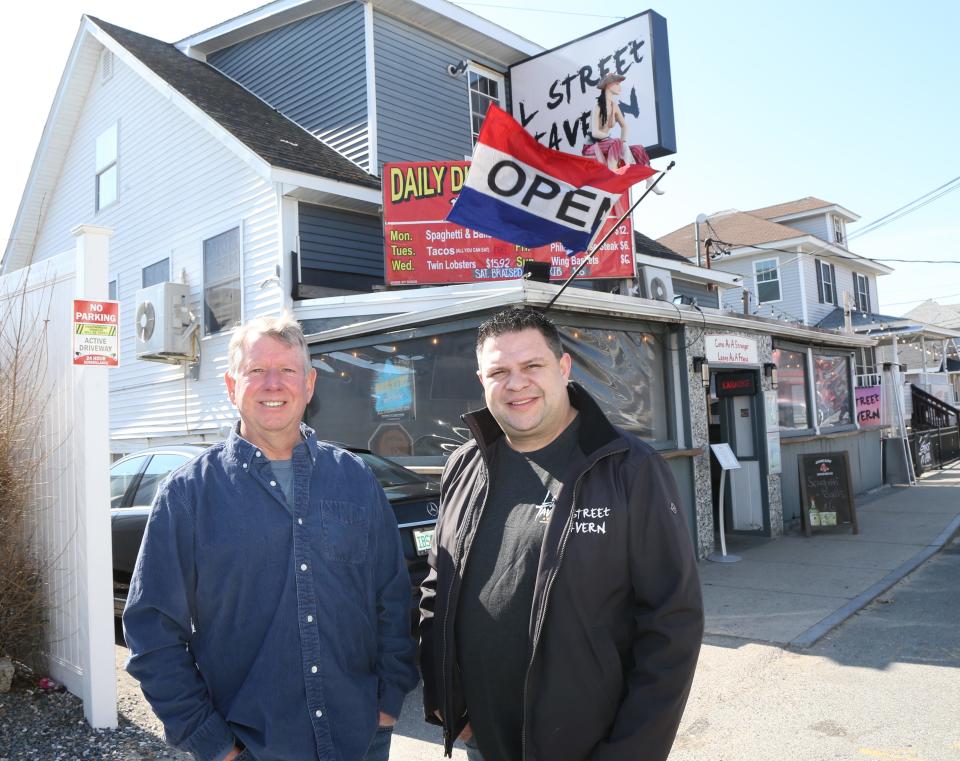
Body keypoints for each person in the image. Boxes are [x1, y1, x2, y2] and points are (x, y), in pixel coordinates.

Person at [124, 314, 418, 761]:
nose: (273, 384)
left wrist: (387, 701)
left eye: (287, 370)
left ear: (310, 384)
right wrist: (214, 743)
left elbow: (391, 597)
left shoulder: (355, 479)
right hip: (252, 746)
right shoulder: (187, 495)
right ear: (231, 385)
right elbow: (152, 632)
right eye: (257, 370)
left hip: (360, 736)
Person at [419, 307, 703, 761]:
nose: (516, 383)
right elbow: (439, 583)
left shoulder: (629, 468)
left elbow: (673, 622)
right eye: (499, 371)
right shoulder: (465, 464)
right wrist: (449, 708)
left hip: (587, 746)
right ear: (481, 380)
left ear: (563, 367)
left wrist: (629, 752)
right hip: (484, 741)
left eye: (532, 366)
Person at [582, 72, 664, 194]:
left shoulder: (614, 106)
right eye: (617, 84)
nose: (620, 87)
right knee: (616, 142)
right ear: (608, 85)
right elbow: (595, 133)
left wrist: (623, 142)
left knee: (638, 149)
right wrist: (617, 142)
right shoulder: (598, 105)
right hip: (592, 147)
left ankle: (650, 181)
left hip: (610, 146)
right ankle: (613, 174)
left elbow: (624, 125)